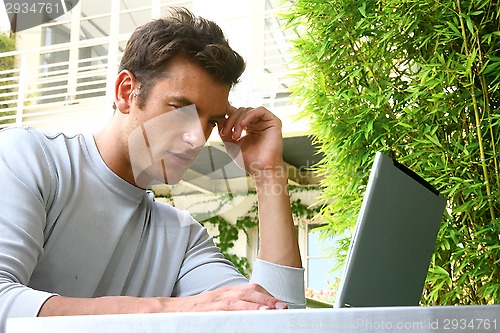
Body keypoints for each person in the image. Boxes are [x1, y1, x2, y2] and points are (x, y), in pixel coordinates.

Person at [0, 7, 305, 331]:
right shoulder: (30, 158)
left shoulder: (182, 237)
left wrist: (268, 174)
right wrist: (174, 309)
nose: (196, 137)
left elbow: (278, 322)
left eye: (212, 121)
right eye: (181, 108)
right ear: (126, 92)